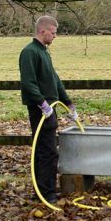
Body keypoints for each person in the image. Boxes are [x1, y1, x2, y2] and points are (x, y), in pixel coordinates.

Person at [19, 15, 78, 203]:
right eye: (53, 32)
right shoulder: (29, 52)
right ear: (42, 30)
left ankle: (44, 190)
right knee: (47, 151)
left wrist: (68, 103)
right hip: (41, 110)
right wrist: (42, 104)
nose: (55, 36)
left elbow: (54, 79)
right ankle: (46, 193)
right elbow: (28, 82)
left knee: (46, 150)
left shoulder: (44, 52)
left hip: (50, 107)